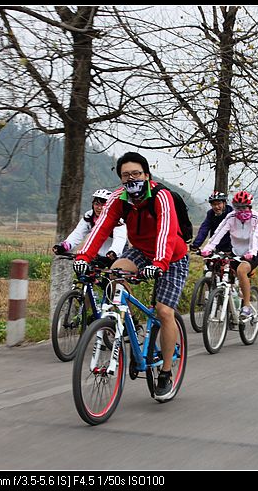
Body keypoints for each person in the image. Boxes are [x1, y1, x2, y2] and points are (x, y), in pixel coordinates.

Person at [73, 152, 189, 400]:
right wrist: (83, 257)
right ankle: (127, 323)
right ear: (121, 179)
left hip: (172, 256)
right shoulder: (119, 198)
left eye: (136, 173)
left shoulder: (161, 196)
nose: (131, 178)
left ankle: (166, 372)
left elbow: (167, 232)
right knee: (115, 275)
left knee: (164, 311)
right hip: (141, 251)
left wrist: (159, 263)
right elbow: (102, 227)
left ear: (146, 175)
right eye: (126, 175)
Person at [200, 190, 258, 319]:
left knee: (241, 271)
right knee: (226, 274)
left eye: (244, 207)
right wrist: (208, 248)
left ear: (250, 206)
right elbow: (219, 232)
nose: (241, 210)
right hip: (236, 251)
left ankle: (246, 307)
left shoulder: (256, 217)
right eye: (238, 208)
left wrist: (251, 252)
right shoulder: (231, 217)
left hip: (254, 251)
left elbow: (255, 235)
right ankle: (232, 303)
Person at [52, 189, 127, 269]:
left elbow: (120, 239)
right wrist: (64, 247)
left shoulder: (117, 219)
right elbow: (77, 234)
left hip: (117, 254)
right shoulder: (89, 216)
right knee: (84, 272)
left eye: (103, 205)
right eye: (96, 204)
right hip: (97, 254)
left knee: (116, 275)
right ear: (92, 204)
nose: (99, 208)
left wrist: (113, 252)